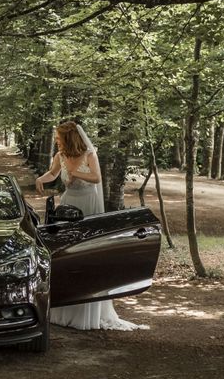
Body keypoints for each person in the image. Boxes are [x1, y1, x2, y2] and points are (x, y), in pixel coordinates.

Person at [35, 120, 147, 331]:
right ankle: (63, 307)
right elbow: (53, 173)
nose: (56, 140)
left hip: (88, 204)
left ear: (69, 138)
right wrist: (41, 179)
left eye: (59, 137)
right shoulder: (60, 156)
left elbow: (96, 178)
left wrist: (75, 173)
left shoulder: (89, 154)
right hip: (69, 204)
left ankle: (85, 310)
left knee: (86, 252)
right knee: (66, 252)